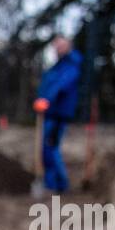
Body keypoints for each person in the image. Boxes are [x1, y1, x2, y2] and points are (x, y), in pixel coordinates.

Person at [33, 34, 82, 193]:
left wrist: (46, 100)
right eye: (56, 46)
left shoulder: (71, 64)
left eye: (61, 45)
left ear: (69, 45)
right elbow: (49, 84)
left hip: (57, 113)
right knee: (48, 147)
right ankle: (54, 184)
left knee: (50, 147)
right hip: (50, 112)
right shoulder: (58, 65)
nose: (58, 49)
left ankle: (57, 184)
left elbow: (61, 86)